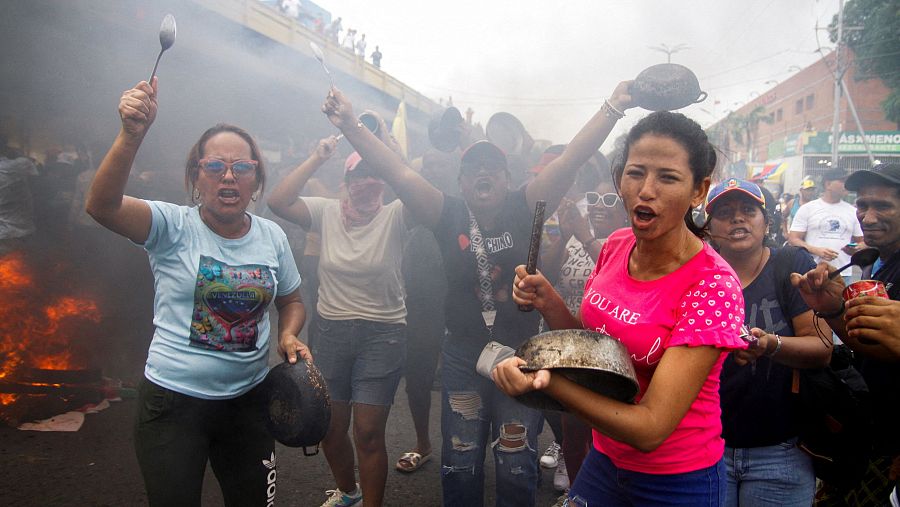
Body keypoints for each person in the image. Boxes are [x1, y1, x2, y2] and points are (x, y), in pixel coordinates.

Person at [322, 81, 633, 507]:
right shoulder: (444, 211)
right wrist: (352, 125)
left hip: (521, 354)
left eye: (492, 169)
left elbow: (572, 158)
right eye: (473, 170)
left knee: (516, 462)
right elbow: (397, 172)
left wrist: (613, 105)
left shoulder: (526, 204)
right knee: (461, 460)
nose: (482, 174)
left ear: (507, 179)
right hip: (464, 356)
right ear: (462, 181)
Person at [493, 111, 749, 506]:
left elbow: (650, 429)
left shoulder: (713, 286)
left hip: (676, 481)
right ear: (619, 179)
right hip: (605, 460)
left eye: (668, 177)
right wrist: (550, 302)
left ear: (699, 190)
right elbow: (596, 351)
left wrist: (545, 381)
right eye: (636, 173)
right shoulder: (616, 245)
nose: (646, 190)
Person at [84, 78, 308, 506]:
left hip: (248, 403)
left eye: (242, 168)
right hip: (172, 406)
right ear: (196, 176)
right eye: (215, 166)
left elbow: (292, 300)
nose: (229, 176)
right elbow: (102, 206)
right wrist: (131, 135)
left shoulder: (273, 238)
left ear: (255, 179)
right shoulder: (171, 226)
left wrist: (287, 334)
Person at [267, 121, 412, 507]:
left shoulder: (396, 215)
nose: (366, 182)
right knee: (330, 427)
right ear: (346, 180)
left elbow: (412, 186)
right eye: (358, 174)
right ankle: (349, 492)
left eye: (373, 174)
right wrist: (318, 156)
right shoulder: (326, 212)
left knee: (367, 432)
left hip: (384, 334)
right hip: (331, 332)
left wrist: (389, 152)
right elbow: (278, 200)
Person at [704, 178, 830, 506]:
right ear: (709, 226)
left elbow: (822, 348)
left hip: (780, 454)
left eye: (748, 210)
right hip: (705, 449)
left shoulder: (791, 266)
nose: (737, 219)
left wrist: (770, 345)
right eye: (724, 212)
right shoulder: (697, 275)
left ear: (767, 222)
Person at [791, 163, 900, 506]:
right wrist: (834, 309)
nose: (867, 217)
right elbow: (874, 345)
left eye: (882, 207)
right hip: (869, 433)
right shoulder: (877, 262)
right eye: (863, 205)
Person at [788, 169, 865, 284]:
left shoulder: (853, 212)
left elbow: (863, 242)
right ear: (828, 184)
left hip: (843, 274)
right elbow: (793, 239)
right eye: (842, 181)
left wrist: (856, 248)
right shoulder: (808, 209)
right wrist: (816, 250)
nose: (846, 185)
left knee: (842, 302)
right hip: (813, 271)